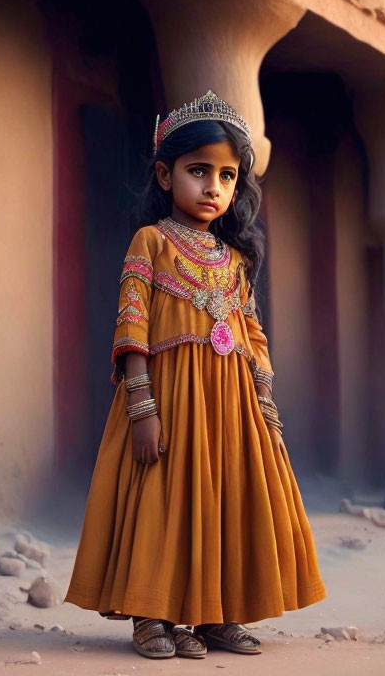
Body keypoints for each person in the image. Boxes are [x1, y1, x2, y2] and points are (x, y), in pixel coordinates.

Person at [64, 90, 326, 659]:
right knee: (165, 497)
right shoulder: (151, 242)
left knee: (228, 494)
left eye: (228, 176)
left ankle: (215, 616)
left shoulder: (234, 259)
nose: (213, 187)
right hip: (170, 396)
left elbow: (250, 331)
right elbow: (132, 321)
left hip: (230, 400)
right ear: (165, 174)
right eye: (198, 171)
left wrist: (265, 401)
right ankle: (152, 617)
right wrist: (141, 405)